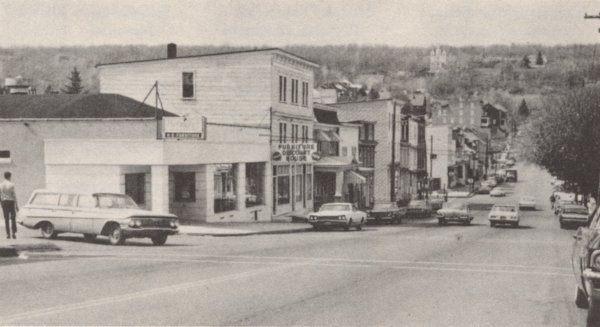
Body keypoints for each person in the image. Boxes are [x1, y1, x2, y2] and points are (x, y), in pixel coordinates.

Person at [0, 171, 18, 239]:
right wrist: (17, 205)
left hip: (4, 202)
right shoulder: (11, 184)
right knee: (13, 218)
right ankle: (13, 232)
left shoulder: (1, 185)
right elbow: (14, 195)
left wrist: (1, 203)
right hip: (11, 202)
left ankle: (8, 234)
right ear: (9, 176)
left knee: (6, 219)